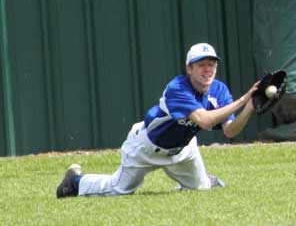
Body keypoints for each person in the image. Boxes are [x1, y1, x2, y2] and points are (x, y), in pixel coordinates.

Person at [56, 43, 259, 198]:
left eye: (212, 65)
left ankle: (203, 180)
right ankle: (74, 182)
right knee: (118, 190)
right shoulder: (177, 88)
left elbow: (230, 131)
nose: (208, 70)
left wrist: (249, 107)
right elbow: (204, 121)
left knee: (200, 190)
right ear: (189, 69)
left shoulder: (219, 90)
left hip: (183, 150)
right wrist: (243, 98)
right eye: (202, 65)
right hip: (147, 147)